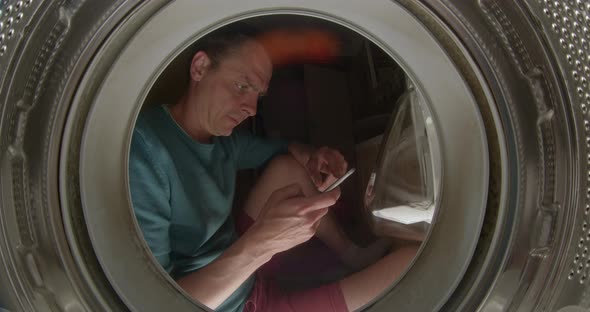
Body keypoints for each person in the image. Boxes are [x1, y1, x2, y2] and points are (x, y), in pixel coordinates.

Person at [129, 30, 418, 312]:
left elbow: (276, 149)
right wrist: (261, 245)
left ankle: (352, 254)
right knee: (411, 263)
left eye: (258, 95)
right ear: (200, 67)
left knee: (286, 168)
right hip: (233, 302)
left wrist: (312, 155)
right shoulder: (146, 153)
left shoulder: (220, 137)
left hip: (244, 262)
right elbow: (159, 302)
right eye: (242, 86)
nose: (252, 109)